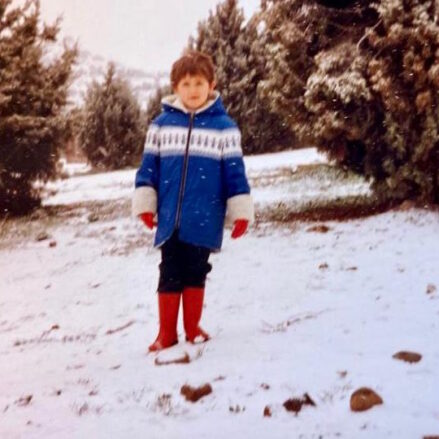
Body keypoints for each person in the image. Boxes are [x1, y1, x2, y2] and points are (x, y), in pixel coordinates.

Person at [132, 50, 254, 352]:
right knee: (169, 271)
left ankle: (192, 327)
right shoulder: (161, 125)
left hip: (204, 217)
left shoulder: (224, 128)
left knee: (196, 271)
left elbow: (235, 173)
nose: (193, 90)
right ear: (175, 87)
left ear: (211, 85)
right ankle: (166, 333)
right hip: (170, 217)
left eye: (199, 83)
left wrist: (240, 211)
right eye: (186, 84)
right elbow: (148, 168)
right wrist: (146, 203)